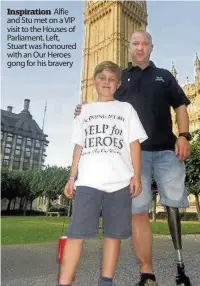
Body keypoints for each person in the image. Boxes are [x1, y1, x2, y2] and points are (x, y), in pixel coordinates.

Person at [75, 31, 192, 286]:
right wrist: (86, 109)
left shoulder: (164, 76)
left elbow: (181, 106)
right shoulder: (121, 77)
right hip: (133, 156)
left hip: (167, 151)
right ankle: (147, 273)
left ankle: (180, 265)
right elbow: (105, 102)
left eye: (144, 44)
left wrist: (184, 136)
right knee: (138, 212)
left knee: (172, 205)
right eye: (135, 44)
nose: (140, 48)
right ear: (129, 48)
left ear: (151, 47)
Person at [57, 61, 148, 286]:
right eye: (102, 78)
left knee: (113, 234)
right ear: (94, 82)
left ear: (117, 85)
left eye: (111, 79)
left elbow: (135, 144)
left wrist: (136, 176)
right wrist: (71, 177)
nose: (106, 82)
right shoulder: (85, 110)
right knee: (76, 233)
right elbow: (78, 145)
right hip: (88, 180)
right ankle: (64, 281)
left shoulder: (126, 109)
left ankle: (106, 280)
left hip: (119, 181)